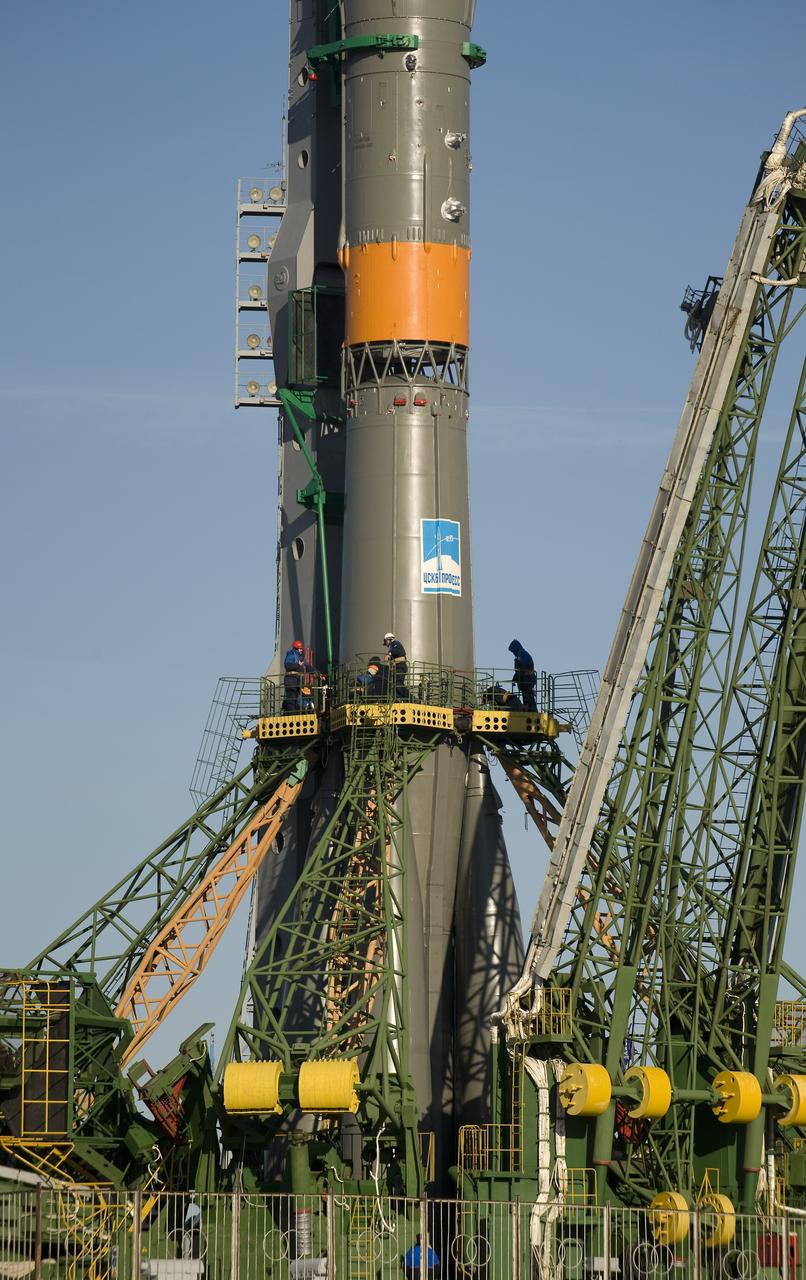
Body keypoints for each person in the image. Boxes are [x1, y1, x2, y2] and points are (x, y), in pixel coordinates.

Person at [283, 639, 312, 713]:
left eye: (301, 649)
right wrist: (297, 664)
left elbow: (307, 667)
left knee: (306, 693)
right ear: (296, 649)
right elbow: (287, 665)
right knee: (291, 698)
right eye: (300, 649)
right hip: (291, 680)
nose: (301, 650)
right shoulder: (291, 655)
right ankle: (291, 714)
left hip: (299, 680)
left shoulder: (300, 658)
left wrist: (317, 673)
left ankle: (306, 708)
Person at [508, 638, 537, 711]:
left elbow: (522, 669)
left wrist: (517, 678)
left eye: (513, 651)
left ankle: (527, 708)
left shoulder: (523, 655)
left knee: (527, 694)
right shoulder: (520, 655)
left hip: (527, 679)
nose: (513, 653)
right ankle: (530, 709)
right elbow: (519, 671)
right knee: (527, 695)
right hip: (525, 679)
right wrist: (515, 679)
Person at [383, 631, 408, 698]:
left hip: (400, 666)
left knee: (398, 683)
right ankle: (407, 698)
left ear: (389, 639)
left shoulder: (395, 643)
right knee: (396, 683)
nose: (386, 644)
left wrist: (388, 655)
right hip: (397, 666)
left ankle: (400, 697)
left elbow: (394, 652)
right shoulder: (393, 645)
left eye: (386, 641)